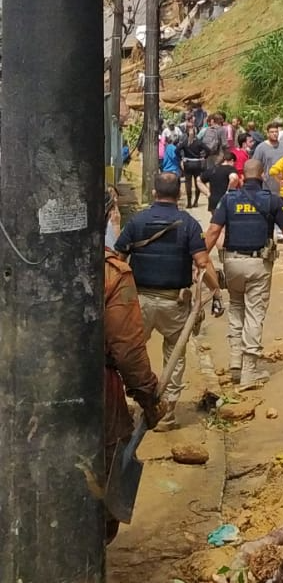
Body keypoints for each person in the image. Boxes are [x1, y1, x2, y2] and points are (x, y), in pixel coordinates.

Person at [115, 172, 222, 431]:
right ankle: (168, 413)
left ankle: (129, 404)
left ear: (154, 193)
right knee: (175, 353)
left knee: (128, 353)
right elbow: (202, 262)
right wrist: (216, 293)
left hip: (138, 302)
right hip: (174, 303)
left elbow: (117, 259)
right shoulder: (188, 223)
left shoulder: (137, 221)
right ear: (179, 195)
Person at [204, 160, 283, 388]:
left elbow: (214, 230)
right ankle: (249, 373)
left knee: (236, 308)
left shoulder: (228, 199)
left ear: (242, 177)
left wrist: (200, 258)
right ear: (263, 176)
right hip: (258, 264)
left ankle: (235, 363)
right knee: (255, 314)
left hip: (232, 263)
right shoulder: (272, 200)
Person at [103, 189, 163, 542]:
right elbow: (127, 350)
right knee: (103, 470)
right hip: (95, 390)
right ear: (108, 218)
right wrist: (148, 396)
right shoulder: (111, 274)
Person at [251, 121, 283, 193]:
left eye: (276, 132)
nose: (274, 134)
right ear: (267, 133)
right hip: (267, 187)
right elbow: (255, 166)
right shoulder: (261, 148)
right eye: (272, 132)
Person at [179, 126, 207, 208]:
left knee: (188, 183)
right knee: (197, 182)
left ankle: (189, 202)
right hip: (197, 163)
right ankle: (196, 201)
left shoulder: (184, 142)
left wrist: (182, 158)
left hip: (187, 163)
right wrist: (204, 157)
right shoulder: (198, 142)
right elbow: (208, 150)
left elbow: (176, 150)